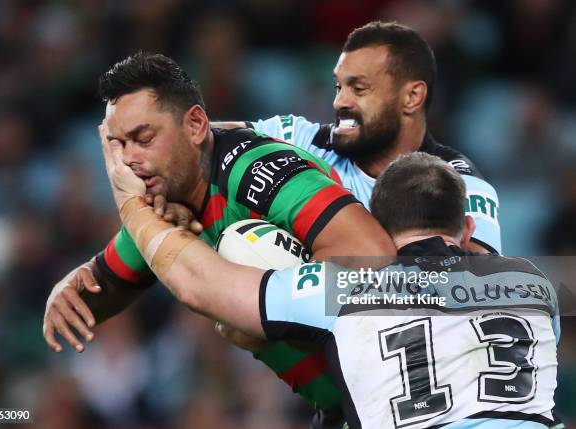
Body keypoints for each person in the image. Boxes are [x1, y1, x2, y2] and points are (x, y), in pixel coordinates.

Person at [102, 143, 559, 429]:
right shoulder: (535, 285)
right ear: (467, 226)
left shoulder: (345, 288)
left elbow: (202, 286)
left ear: (378, 229)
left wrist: (133, 207)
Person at [43, 52, 395, 415]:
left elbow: (373, 257)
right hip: (343, 408)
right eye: (118, 145)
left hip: (392, 397)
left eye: (143, 138)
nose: (129, 161)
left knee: (238, 252)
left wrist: (266, 306)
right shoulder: (161, 206)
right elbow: (101, 290)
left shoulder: (257, 171)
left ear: (195, 125)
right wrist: (65, 290)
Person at [217, 21, 501, 255]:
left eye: (359, 88)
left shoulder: (460, 184)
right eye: (339, 86)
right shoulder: (300, 139)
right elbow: (200, 139)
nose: (340, 101)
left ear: (412, 97)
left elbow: (474, 282)